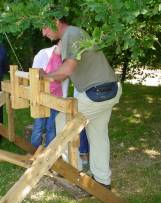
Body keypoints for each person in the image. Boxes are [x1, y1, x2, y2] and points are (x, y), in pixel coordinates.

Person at [41, 17, 122, 188]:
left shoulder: (70, 33)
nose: (43, 33)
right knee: (98, 134)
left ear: (55, 21)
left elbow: (67, 70)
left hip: (97, 93)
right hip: (108, 89)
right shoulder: (73, 33)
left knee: (62, 121)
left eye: (45, 28)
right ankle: (102, 180)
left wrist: (46, 76)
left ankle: (73, 173)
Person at [31, 42, 63, 148]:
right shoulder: (44, 53)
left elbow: (65, 76)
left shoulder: (65, 59)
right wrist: (43, 74)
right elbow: (35, 72)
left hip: (56, 97)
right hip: (41, 95)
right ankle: (33, 151)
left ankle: (50, 153)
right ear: (59, 43)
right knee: (39, 126)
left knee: (52, 126)